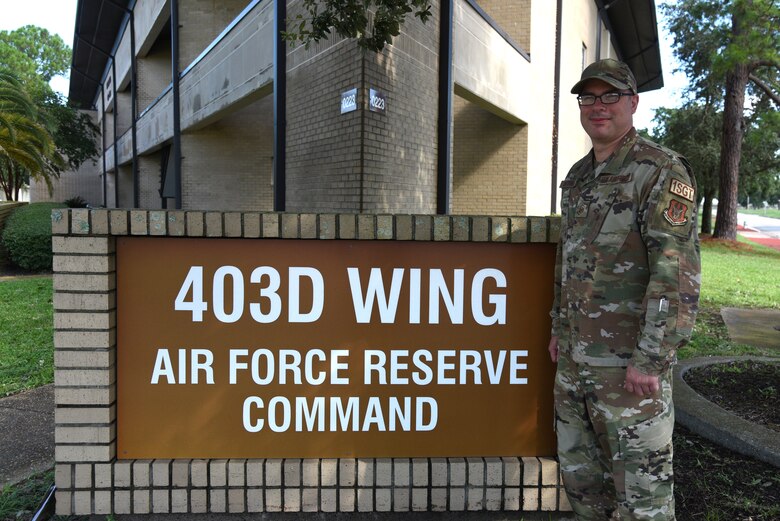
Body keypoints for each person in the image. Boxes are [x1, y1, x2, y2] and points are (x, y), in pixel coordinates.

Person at [548, 59, 701, 521]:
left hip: (629, 371)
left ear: (633, 102)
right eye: (588, 97)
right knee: (582, 484)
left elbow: (675, 276)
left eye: (610, 95)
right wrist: (560, 328)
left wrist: (651, 359)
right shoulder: (577, 177)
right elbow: (569, 261)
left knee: (643, 500)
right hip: (576, 363)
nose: (598, 106)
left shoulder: (659, 171)